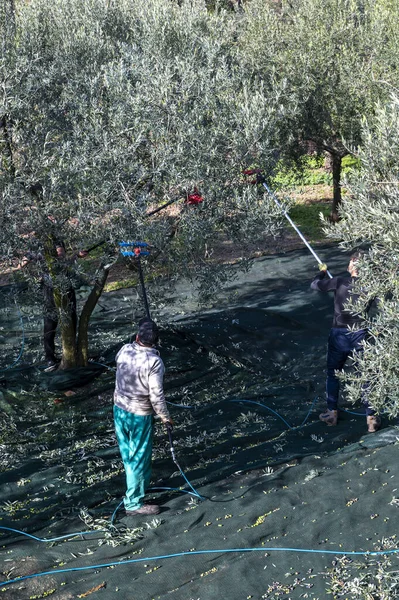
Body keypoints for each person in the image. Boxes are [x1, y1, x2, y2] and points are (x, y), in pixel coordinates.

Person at [311, 251, 380, 433]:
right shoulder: (371, 285)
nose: (348, 265)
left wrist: (322, 273)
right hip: (361, 334)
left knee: (333, 373)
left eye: (350, 262)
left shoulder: (340, 281)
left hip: (340, 334)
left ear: (353, 266)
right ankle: (371, 417)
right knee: (367, 374)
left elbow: (315, 285)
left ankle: (332, 413)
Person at [113, 318, 173, 516]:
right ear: (155, 341)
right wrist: (165, 416)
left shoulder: (124, 350)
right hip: (139, 414)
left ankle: (138, 488)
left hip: (119, 409)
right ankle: (133, 504)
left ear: (137, 337)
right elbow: (156, 395)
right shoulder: (154, 362)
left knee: (128, 455)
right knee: (138, 457)